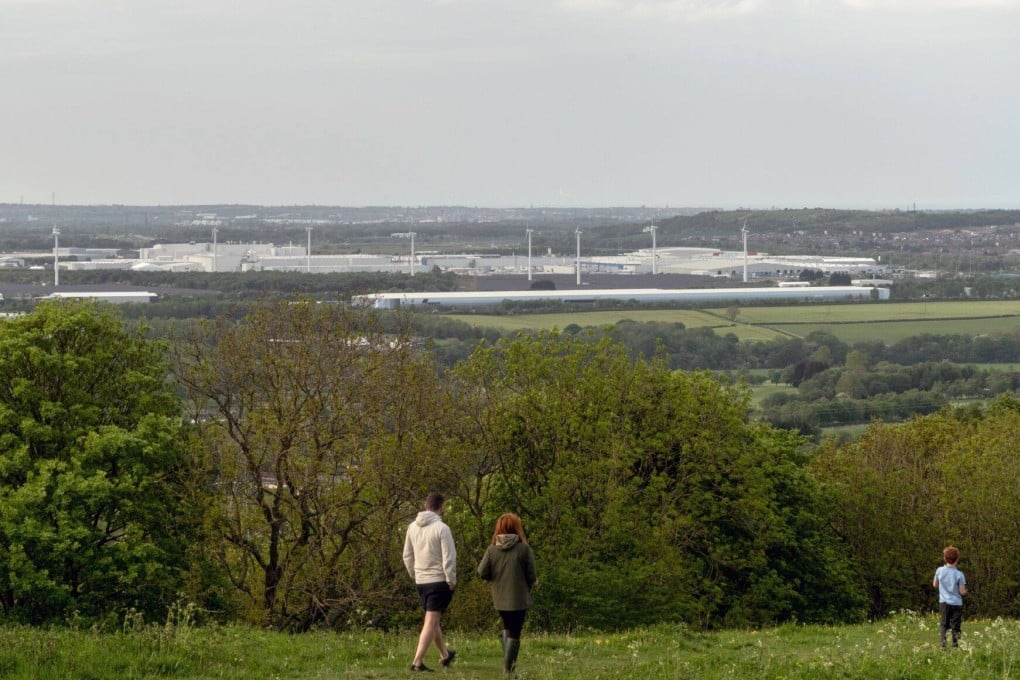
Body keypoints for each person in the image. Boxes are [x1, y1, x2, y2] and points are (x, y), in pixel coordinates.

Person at [403, 492, 457, 672]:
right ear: (441, 508)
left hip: (421, 581)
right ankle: (417, 662)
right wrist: (451, 580)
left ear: (426, 505)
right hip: (438, 580)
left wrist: (414, 573)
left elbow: (407, 556)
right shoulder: (442, 528)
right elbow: (448, 558)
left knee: (432, 620)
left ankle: (445, 656)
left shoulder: (412, 527)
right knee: (431, 621)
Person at [477, 513, 537, 674]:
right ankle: (508, 671)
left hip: (499, 598)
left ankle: (509, 666)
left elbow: (482, 572)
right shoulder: (523, 548)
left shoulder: (492, 549)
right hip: (519, 598)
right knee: (515, 632)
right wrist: (530, 584)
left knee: (507, 627)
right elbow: (532, 574)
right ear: (516, 528)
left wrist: (494, 578)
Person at [932, 545, 967, 649]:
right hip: (956, 603)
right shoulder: (959, 574)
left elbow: (935, 585)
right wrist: (966, 591)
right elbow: (962, 591)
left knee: (944, 624)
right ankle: (955, 645)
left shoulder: (939, 570)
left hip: (944, 602)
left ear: (944, 558)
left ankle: (943, 645)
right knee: (956, 626)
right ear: (957, 559)